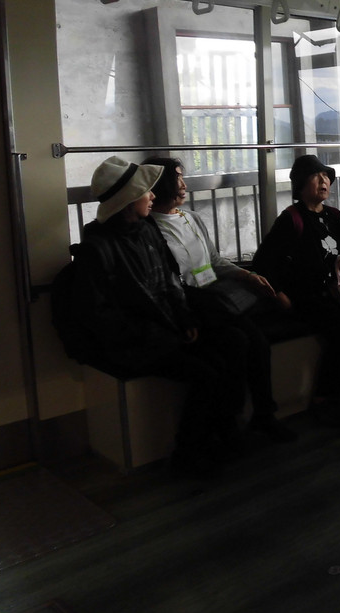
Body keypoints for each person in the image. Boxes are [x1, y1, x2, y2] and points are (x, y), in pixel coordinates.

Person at [72, 156, 247, 477]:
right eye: (145, 192)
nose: (152, 196)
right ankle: (188, 451)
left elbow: (170, 283)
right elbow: (106, 318)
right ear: (127, 201)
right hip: (139, 342)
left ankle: (222, 434)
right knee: (206, 372)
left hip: (167, 329)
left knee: (232, 347)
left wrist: (184, 319)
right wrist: (164, 333)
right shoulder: (98, 250)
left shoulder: (145, 232)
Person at [142, 156, 296, 443]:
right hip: (194, 306)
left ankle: (262, 415)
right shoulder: (150, 229)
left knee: (258, 343)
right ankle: (233, 425)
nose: (184, 184)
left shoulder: (191, 218)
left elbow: (213, 261)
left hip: (214, 300)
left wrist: (246, 276)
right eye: (177, 178)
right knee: (240, 343)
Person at [251, 154, 340, 401]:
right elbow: (263, 262)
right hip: (307, 297)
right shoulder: (291, 219)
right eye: (317, 176)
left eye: (326, 177)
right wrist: (278, 293)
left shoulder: (335, 216)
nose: (325, 181)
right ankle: (327, 400)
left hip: (338, 292)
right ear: (301, 183)